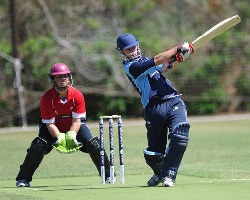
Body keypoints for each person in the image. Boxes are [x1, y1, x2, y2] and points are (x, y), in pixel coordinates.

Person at [116, 33, 193, 187]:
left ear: (137, 45)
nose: (132, 51)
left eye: (133, 47)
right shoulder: (131, 67)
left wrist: (175, 59)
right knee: (154, 154)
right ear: (121, 52)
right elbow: (157, 60)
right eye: (127, 50)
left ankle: (169, 175)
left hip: (172, 100)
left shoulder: (143, 60)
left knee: (180, 135)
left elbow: (162, 67)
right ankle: (159, 173)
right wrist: (178, 48)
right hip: (153, 109)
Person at [16, 63, 111, 187]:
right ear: (53, 79)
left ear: (69, 77)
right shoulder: (46, 98)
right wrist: (59, 137)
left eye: (65, 76)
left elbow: (77, 121)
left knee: (94, 144)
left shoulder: (77, 96)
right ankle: (23, 179)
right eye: (58, 77)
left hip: (74, 126)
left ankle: (108, 175)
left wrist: (71, 135)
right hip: (52, 127)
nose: (62, 79)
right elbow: (49, 124)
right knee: (38, 145)